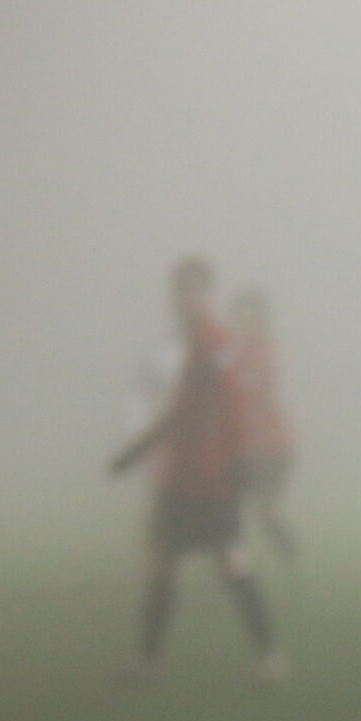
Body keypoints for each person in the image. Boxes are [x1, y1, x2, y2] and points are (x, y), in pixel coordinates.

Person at [108, 257, 287, 683]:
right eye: (178, 291)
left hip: (209, 477)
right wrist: (141, 451)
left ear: (206, 294)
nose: (183, 299)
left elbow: (231, 405)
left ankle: (270, 659)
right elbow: (185, 412)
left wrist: (238, 457)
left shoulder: (213, 341)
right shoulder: (197, 342)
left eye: (192, 290)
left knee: (231, 562)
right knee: (163, 565)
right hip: (183, 475)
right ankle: (148, 663)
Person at [226, 288, 299, 561]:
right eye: (240, 317)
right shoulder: (233, 353)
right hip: (245, 446)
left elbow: (264, 391)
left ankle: (287, 556)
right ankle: (235, 567)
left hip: (271, 447)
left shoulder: (266, 354)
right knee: (234, 512)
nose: (244, 323)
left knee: (261, 512)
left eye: (251, 317)